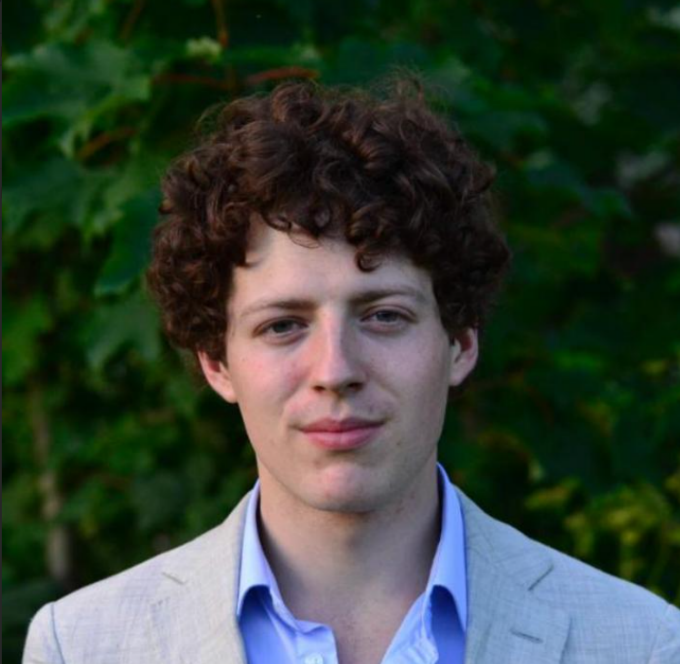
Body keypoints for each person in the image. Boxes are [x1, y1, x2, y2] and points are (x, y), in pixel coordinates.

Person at [23, 80, 680, 664]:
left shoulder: (641, 644)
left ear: (460, 341)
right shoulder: (80, 646)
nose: (335, 370)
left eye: (384, 316)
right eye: (283, 325)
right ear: (217, 362)